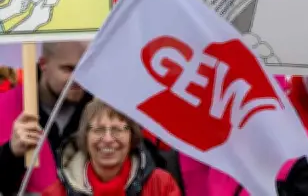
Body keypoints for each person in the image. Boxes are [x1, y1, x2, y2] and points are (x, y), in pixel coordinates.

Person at [0, 42, 92, 195]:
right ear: (43, 64)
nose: (77, 78)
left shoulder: (99, 109)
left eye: (82, 68)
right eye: (68, 69)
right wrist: (11, 152)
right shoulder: (6, 107)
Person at [43, 99, 180, 195]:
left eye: (117, 130)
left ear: (131, 136)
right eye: (98, 130)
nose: (108, 139)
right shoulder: (56, 193)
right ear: (85, 136)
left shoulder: (161, 185)